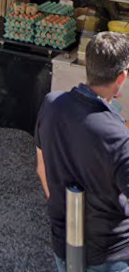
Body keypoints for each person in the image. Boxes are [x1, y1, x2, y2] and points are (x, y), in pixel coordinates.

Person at [36, 32, 129, 271]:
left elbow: (42, 168)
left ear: (87, 64)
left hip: (63, 242)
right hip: (110, 253)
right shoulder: (118, 136)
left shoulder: (51, 104)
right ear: (121, 77)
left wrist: (63, 212)